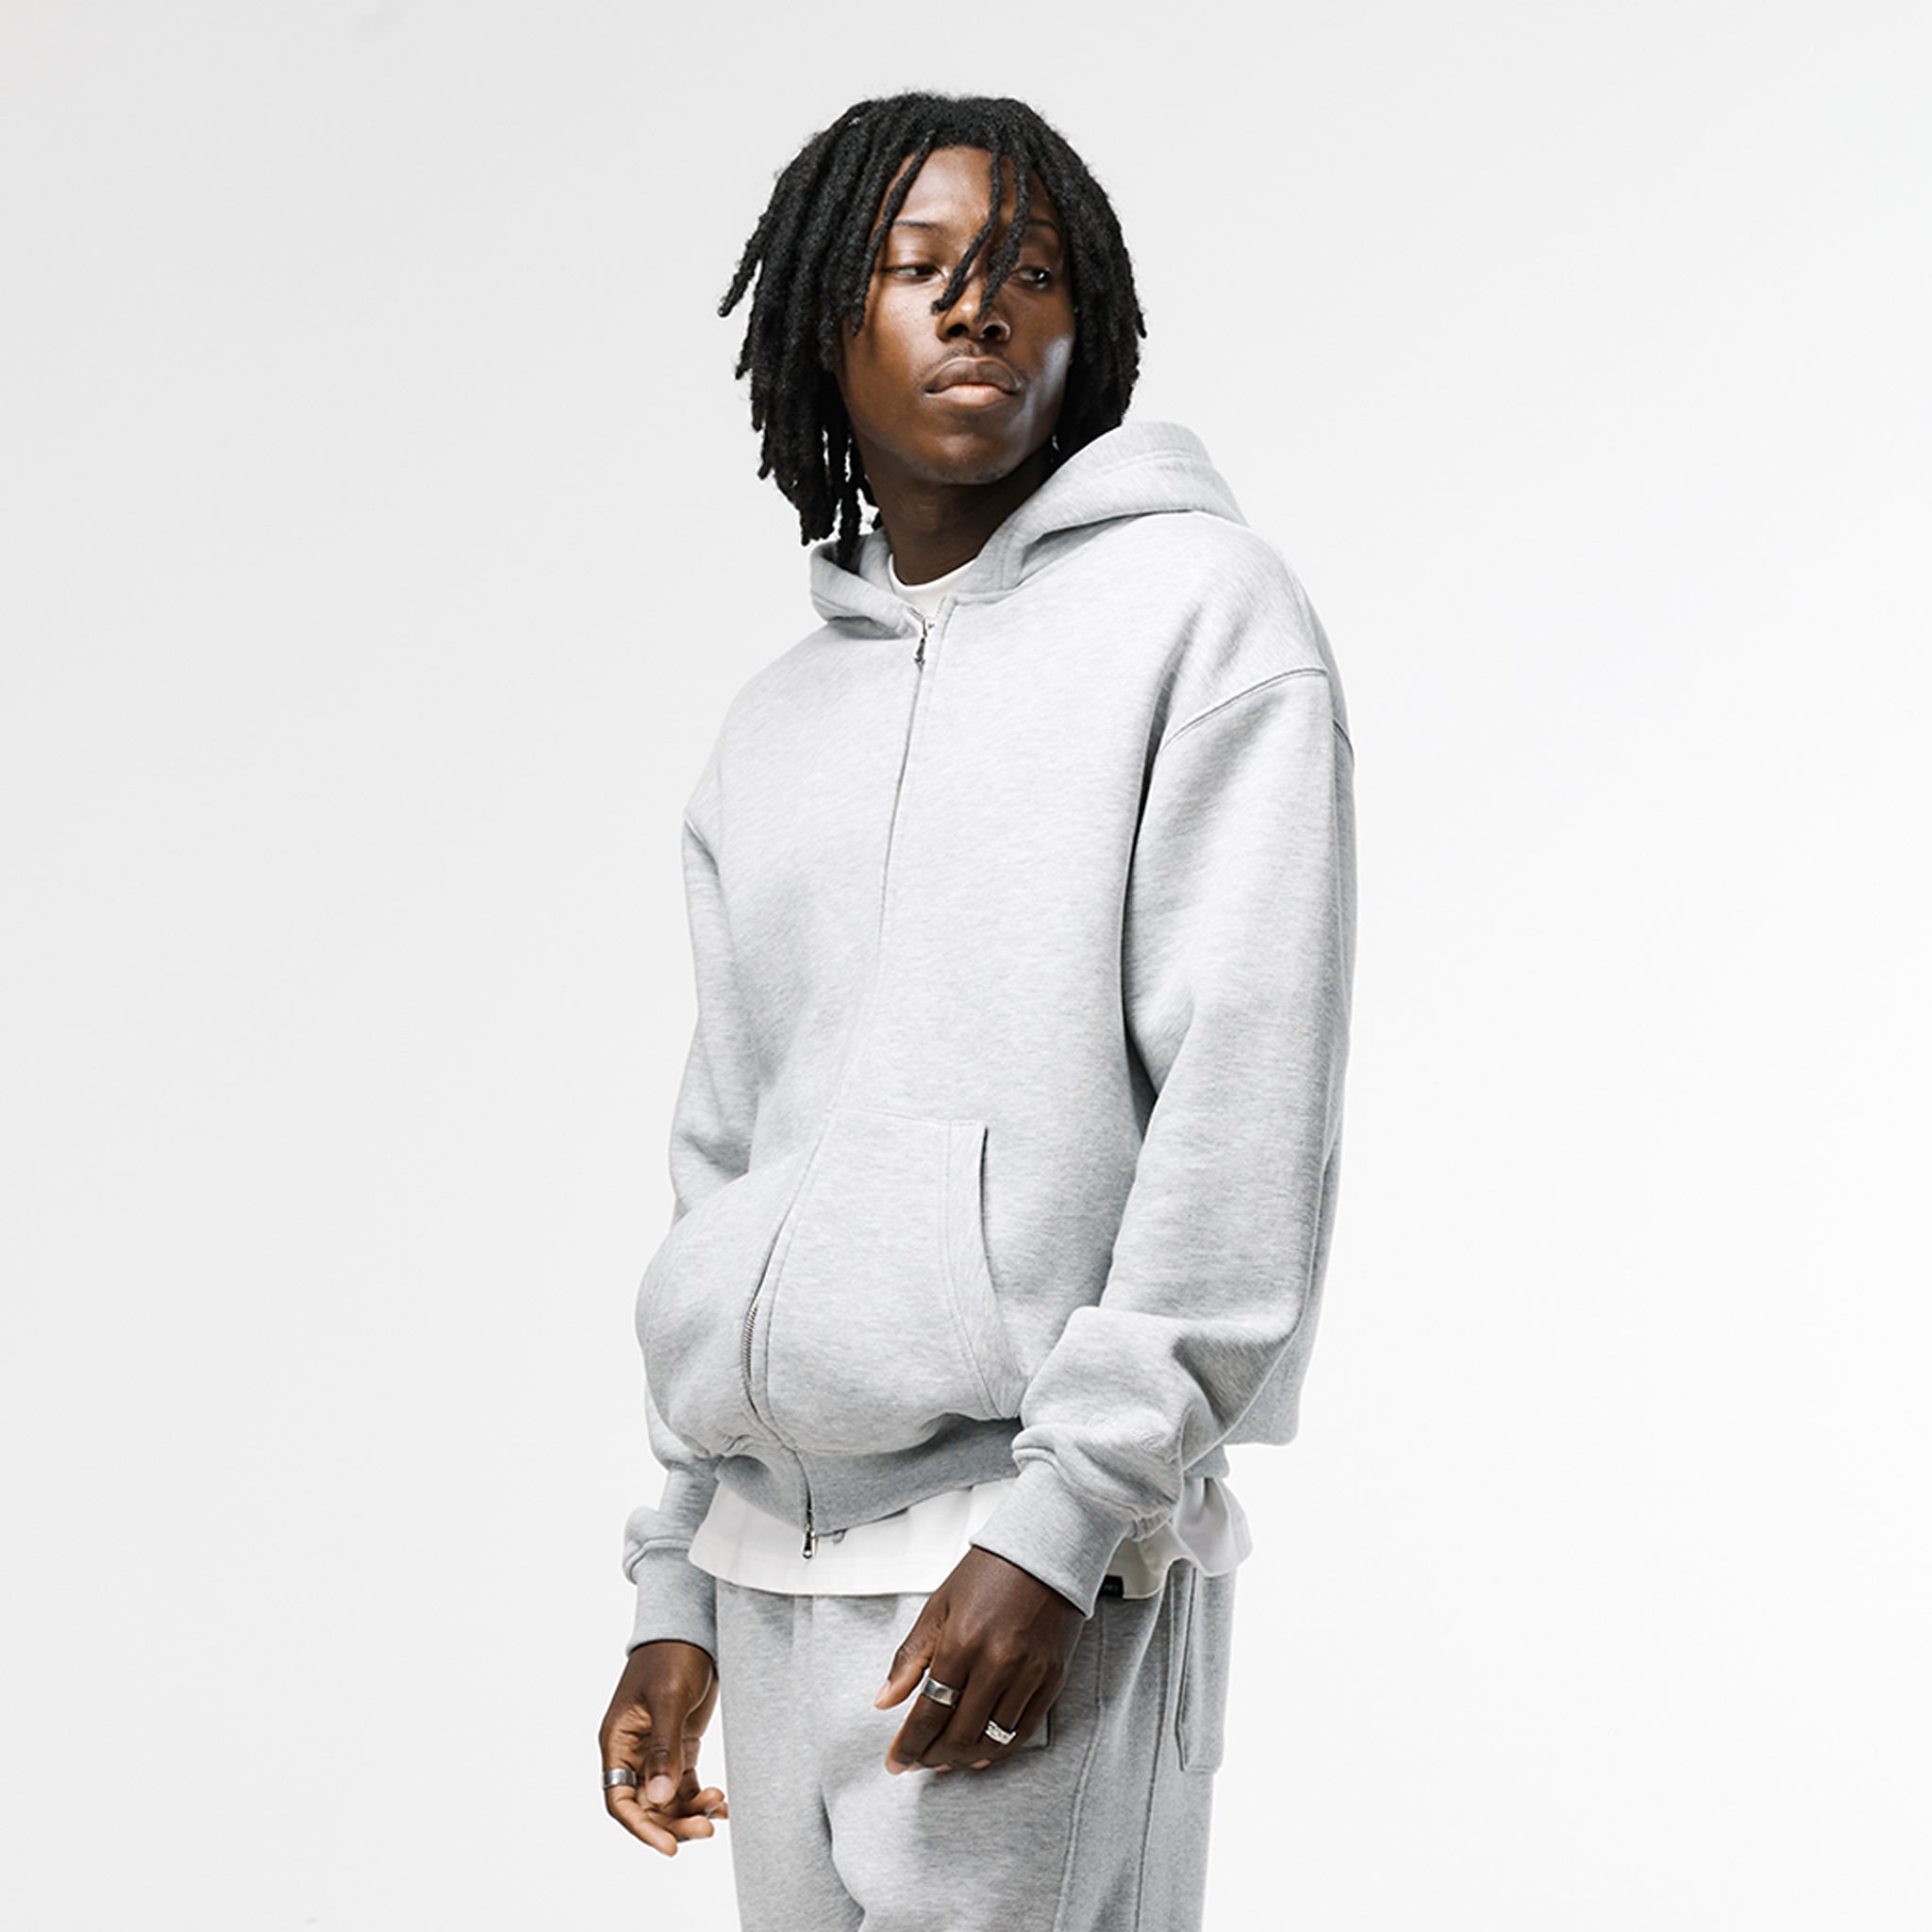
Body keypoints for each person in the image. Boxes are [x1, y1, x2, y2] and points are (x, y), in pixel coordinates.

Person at [598, 91, 1357, 1931]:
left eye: (1028, 270)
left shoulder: (1203, 618)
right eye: (916, 265)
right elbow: (728, 1158)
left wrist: (1072, 1515)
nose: (977, 307)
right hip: (768, 1579)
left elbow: (1243, 1098)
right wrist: (675, 1580)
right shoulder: (775, 722)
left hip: (1027, 1572)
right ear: (821, 320)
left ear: (1089, 321)